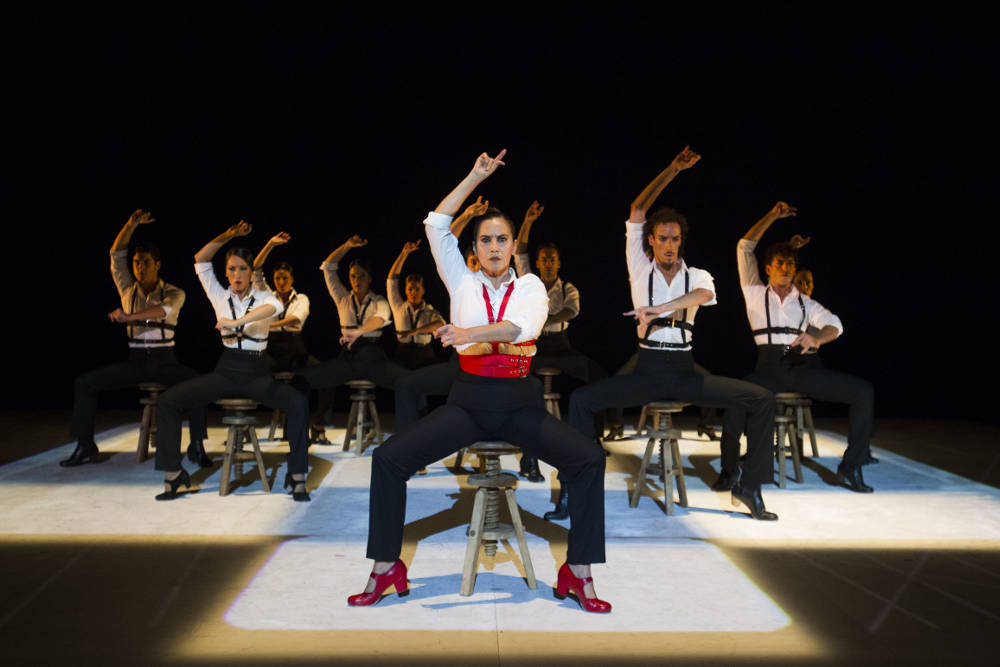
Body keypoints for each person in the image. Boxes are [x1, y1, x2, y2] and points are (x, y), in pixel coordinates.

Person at [348, 150, 610, 613]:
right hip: (467, 404)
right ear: (475, 248)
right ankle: (386, 566)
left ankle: (578, 572)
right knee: (388, 460)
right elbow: (434, 224)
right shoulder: (460, 280)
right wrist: (474, 175)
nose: (493, 247)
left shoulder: (531, 288)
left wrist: (468, 333)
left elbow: (521, 329)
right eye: (486, 239)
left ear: (513, 246)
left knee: (588, 460)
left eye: (502, 239)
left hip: (520, 405)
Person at [565, 146, 779, 520]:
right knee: (581, 402)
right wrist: (673, 169)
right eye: (662, 238)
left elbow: (706, 294)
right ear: (650, 240)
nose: (668, 245)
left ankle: (750, 487)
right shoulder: (639, 266)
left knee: (760, 399)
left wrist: (661, 308)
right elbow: (636, 209)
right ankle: (576, 489)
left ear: (681, 241)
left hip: (684, 372)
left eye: (675, 239)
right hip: (646, 371)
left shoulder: (695, 275)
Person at [716, 202, 876, 493]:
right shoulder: (754, 292)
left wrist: (817, 338)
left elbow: (834, 324)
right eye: (780, 264)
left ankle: (851, 467)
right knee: (735, 403)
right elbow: (744, 246)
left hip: (798, 366)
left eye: (790, 265)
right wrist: (773, 216)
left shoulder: (804, 301)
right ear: (768, 269)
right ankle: (729, 472)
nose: (786, 270)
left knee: (863, 392)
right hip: (766, 368)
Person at [153, 221, 311, 501]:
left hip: (257, 372)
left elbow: (272, 309)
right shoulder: (218, 293)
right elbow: (201, 259)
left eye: (243, 268)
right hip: (226, 370)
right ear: (225, 272)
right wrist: (228, 235)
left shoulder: (264, 295)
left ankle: (297, 476)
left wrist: (238, 322)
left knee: (297, 402)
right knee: (167, 401)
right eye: (231, 268)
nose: (237, 274)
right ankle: (173, 475)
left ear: (252, 272)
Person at [64, 209, 209, 468]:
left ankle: (196, 446)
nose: (139, 267)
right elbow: (115, 254)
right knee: (84, 383)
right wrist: (130, 224)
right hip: (137, 361)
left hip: (165, 362)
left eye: (145, 262)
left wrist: (129, 317)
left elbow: (162, 312)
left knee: (198, 384)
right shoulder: (127, 290)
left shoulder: (174, 292)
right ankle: (85, 445)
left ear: (157, 264)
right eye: (136, 263)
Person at [512, 200, 607, 485]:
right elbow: (519, 251)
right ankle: (529, 456)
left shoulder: (568, 288)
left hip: (561, 347)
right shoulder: (529, 282)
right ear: (538, 263)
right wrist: (527, 221)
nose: (549, 263)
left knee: (598, 377)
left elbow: (571, 311)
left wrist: (543, 319)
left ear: (559, 262)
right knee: (524, 388)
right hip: (535, 348)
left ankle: (594, 439)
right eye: (545, 259)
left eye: (553, 259)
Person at [392, 196, 490, 434]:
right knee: (406, 385)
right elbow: (445, 243)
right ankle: (409, 450)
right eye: (472, 262)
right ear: (465, 263)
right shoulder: (460, 281)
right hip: (460, 362)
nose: (476, 266)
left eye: (480, 262)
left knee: (529, 387)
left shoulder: (497, 284)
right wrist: (466, 215)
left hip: (491, 363)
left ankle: (528, 459)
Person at [299, 236, 406, 444]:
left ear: (369, 279)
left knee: (407, 381)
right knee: (316, 377)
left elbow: (380, 318)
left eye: (361, 276)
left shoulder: (378, 300)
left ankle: (409, 433)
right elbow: (328, 268)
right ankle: (316, 423)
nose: (357, 280)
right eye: (353, 276)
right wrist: (347, 246)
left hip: (371, 353)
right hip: (349, 353)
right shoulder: (342, 298)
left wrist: (359, 331)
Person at [252, 232, 312, 371]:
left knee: (315, 373)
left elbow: (295, 319)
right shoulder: (268, 296)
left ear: (292, 279)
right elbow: (255, 269)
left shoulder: (301, 298)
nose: (281, 282)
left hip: (293, 345)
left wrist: (270, 324)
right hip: (271, 345)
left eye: (285, 278)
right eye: (277, 278)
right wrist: (270, 244)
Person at [386, 241, 446, 370]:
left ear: (423, 290)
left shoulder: (429, 311)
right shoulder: (398, 307)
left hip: (424, 355)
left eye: (417, 289)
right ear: (406, 290)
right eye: (410, 289)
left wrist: (415, 331)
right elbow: (391, 280)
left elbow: (441, 324)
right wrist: (404, 254)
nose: (413, 292)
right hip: (402, 354)